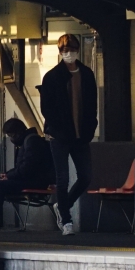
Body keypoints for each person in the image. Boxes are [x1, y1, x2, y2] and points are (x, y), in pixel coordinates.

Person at [40, 34, 97, 236]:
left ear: (77, 51)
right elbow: (46, 108)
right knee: (62, 178)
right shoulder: (52, 77)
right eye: (65, 51)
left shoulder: (87, 74)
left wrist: (91, 128)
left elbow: (92, 105)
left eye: (71, 50)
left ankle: (63, 205)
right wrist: (56, 129)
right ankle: (66, 221)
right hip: (59, 136)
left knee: (86, 176)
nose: (69, 54)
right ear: (60, 52)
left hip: (81, 135)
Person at [0, 118, 55, 228]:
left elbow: (27, 169)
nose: (11, 139)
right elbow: (23, 168)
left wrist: (9, 176)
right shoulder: (29, 140)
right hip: (33, 179)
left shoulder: (32, 142)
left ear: (18, 133)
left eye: (11, 135)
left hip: (36, 182)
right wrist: (7, 175)